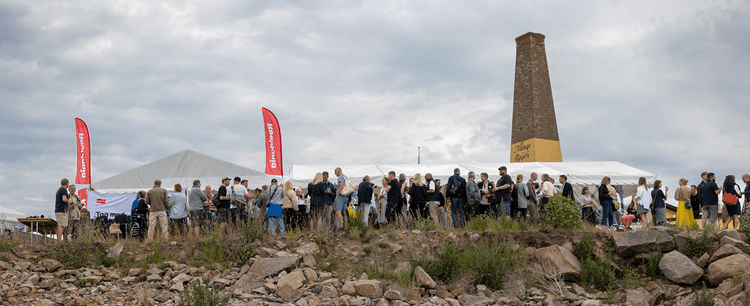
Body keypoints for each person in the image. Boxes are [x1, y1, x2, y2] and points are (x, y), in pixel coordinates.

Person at [55, 178, 71, 243]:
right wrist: (69, 201)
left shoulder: (59, 190)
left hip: (58, 210)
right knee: (61, 226)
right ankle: (59, 241)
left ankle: (59, 240)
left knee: (60, 225)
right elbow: (64, 199)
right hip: (62, 211)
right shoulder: (64, 190)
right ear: (67, 184)